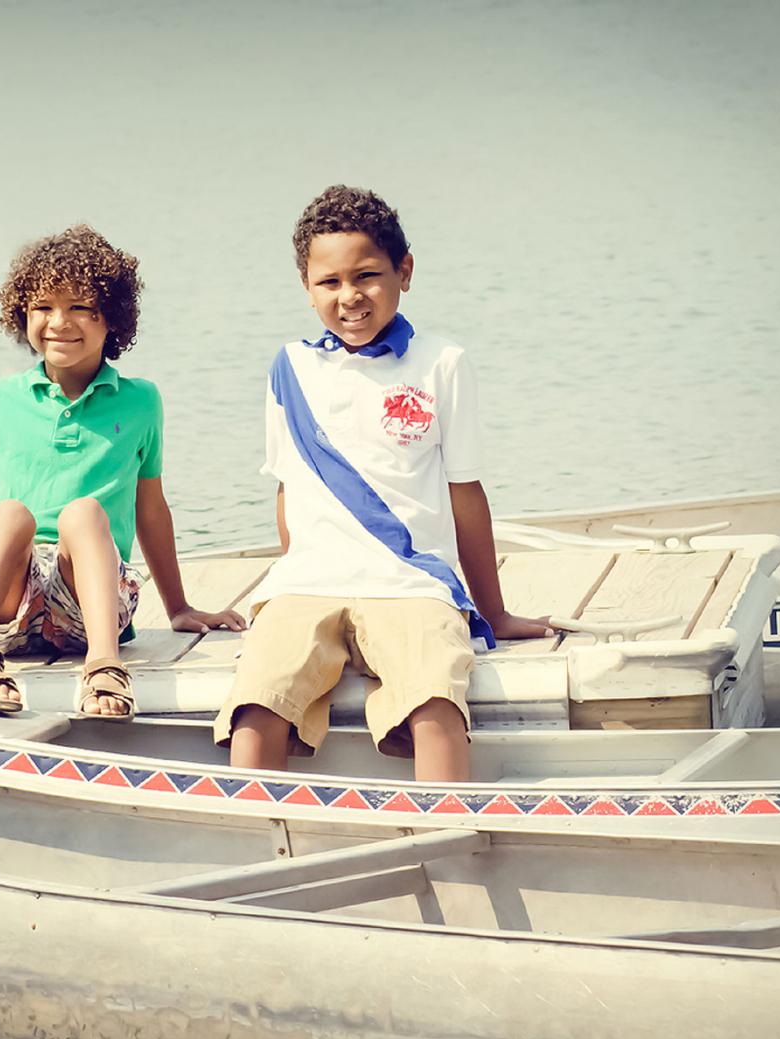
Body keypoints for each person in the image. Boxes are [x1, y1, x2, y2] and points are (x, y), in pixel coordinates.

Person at [215, 186, 553, 779]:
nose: (350, 297)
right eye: (329, 282)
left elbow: (464, 493)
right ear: (306, 286)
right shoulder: (289, 366)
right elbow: (287, 487)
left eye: (367, 275)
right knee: (256, 705)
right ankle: (258, 842)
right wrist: (293, 572)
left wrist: (492, 613)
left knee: (435, 704)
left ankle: (446, 842)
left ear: (405, 271)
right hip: (307, 584)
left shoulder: (442, 362)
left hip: (412, 584)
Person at [0, 224, 243, 718]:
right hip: (12, 602)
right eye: (43, 307)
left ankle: (103, 666)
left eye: (81, 307)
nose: (60, 322)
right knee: (10, 514)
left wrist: (179, 607)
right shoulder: (1, 398)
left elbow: (151, 509)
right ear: (21, 314)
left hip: (89, 599)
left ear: (112, 319)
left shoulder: (141, 401)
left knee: (84, 514)